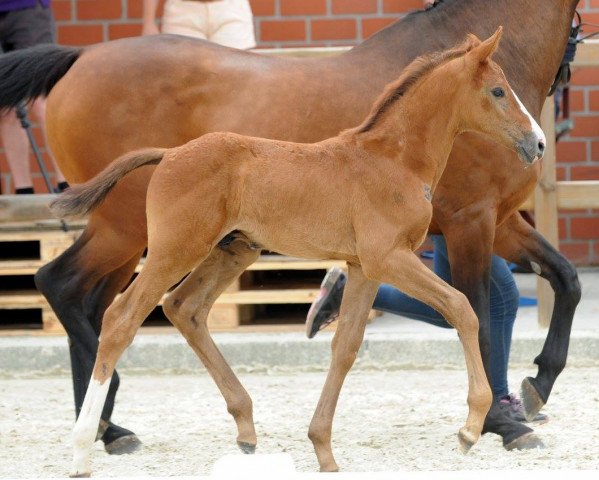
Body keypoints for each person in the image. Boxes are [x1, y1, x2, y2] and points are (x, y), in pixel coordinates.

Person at [306, 234, 548, 424]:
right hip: (461, 205)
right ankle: (498, 399)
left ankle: (343, 292)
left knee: (446, 309)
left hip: (457, 206)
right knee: (503, 296)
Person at [0, 0, 68, 194]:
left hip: (27, 9)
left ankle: (65, 185)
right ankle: (24, 191)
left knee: (43, 97)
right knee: (5, 107)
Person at [142, 0, 256, 50]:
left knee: (237, 78)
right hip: (182, 13)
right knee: (183, 82)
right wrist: (149, 21)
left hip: (230, 10)